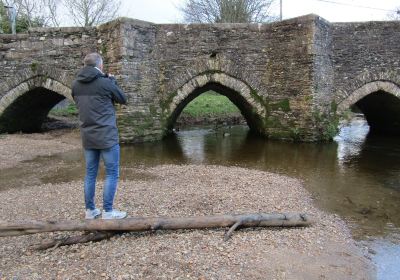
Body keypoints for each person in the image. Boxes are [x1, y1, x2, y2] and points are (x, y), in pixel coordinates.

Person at [72, 52, 127, 220]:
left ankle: (90, 211)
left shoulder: (75, 85)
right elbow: (122, 98)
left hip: (88, 136)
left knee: (90, 174)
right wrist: (111, 81)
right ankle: (108, 212)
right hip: (107, 136)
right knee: (111, 173)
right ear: (100, 65)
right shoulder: (105, 83)